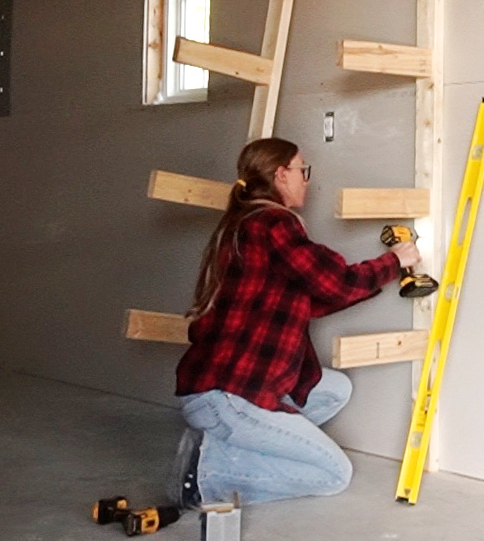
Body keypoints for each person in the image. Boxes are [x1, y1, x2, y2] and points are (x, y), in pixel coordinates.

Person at [168, 137, 421, 508]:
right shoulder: (274, 223)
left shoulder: (242, 223)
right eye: (303, 170)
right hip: (228, 395)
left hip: (215, 387)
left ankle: (232, 443)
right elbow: (333, 282)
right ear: (280, 174)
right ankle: (208, 472)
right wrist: (393, 262)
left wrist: (381, 278)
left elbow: (312, 299)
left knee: (333, 388)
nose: (307, 179)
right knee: (334, 475)